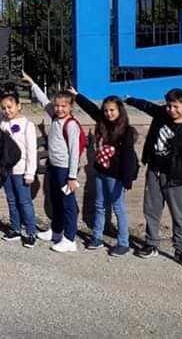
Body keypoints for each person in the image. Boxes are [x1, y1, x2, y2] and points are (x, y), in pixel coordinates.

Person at [127, 89, 182, 267]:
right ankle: (151, 244)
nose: (171, 110)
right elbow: (147, 106)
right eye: (169, 105)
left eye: (176, 106)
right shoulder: (161, 114)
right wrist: (131, 100)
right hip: (155, 171)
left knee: (179, 215)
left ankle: (180, 249)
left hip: (176, 177)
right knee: (151, 210)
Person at [69, 87, 137, 257]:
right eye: (106, 110)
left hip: (117, 176)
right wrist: (77, 96)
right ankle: (97, 237)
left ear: (120, 110)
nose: (108, 113)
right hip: (101, 172)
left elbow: (129, 156)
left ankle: (123, 243)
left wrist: (127, 179)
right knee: (99, 205)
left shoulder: (127, 131)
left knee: (118, 208)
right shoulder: (102, 122)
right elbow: (91, 108)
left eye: (112, 110)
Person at [23, 71, 83, 253]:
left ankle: (70, 238)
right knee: (56, 200)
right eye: (57, 105)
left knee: (68, 204)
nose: (59, 109)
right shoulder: (55, 117)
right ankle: (57, 231)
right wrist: (32, 82)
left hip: (66, 170)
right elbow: (43, 100)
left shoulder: (71, 125)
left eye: (64, 106)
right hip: (54, 167)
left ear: (70, 107)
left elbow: (74, 153)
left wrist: (72, 177)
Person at [0, 93, 38, 248]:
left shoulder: (28, 125)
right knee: (11, 200)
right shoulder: (3, 123)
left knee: (24, 201)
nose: (7, 111)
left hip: (22, 171)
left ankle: (30, 232)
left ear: (19, 106)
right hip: (7, 170)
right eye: (4, 108)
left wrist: (30, 173)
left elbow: (31, 151)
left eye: (10, 107)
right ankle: (15, 229)